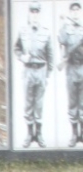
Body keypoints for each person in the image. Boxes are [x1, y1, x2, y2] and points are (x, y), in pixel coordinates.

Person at [15, 2, 54, 147]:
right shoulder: (23, 31)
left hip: (41, 70)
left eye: (37, 12)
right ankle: (29, 134)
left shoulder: (46, 32)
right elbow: (17, 48)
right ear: (29, 14)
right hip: (28, 71)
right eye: (32, 12)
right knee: (28, 103)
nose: (35, 14)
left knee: (39, 104)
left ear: (40, 14)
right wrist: (21, 57)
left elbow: (50, 55)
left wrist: (48, 74)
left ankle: (39, 134)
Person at [59, 1, 83, 146]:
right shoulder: (66, 28)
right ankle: (74, 134)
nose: (75, 13)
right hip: (71, 68)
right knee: (72, 102)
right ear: (70, 12)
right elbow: (62, 40)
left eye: (77, 10)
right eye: (72, 10)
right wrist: (62, 24)